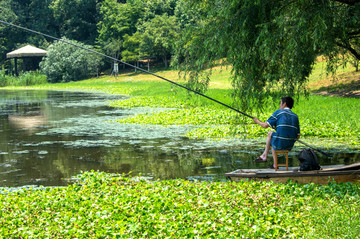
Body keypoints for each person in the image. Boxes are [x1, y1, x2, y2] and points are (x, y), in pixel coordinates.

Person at [252, 96, 300, 164]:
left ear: (284, 104)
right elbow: (298, 136)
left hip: (279, 143)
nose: (280, 105)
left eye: (280, 103)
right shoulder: (295, 116)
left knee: (270, 134)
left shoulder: (279, 112)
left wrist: (257, 121)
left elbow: (265, 125)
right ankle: (271, 161)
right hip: (290, 146)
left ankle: (265, 156)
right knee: (274, 137)